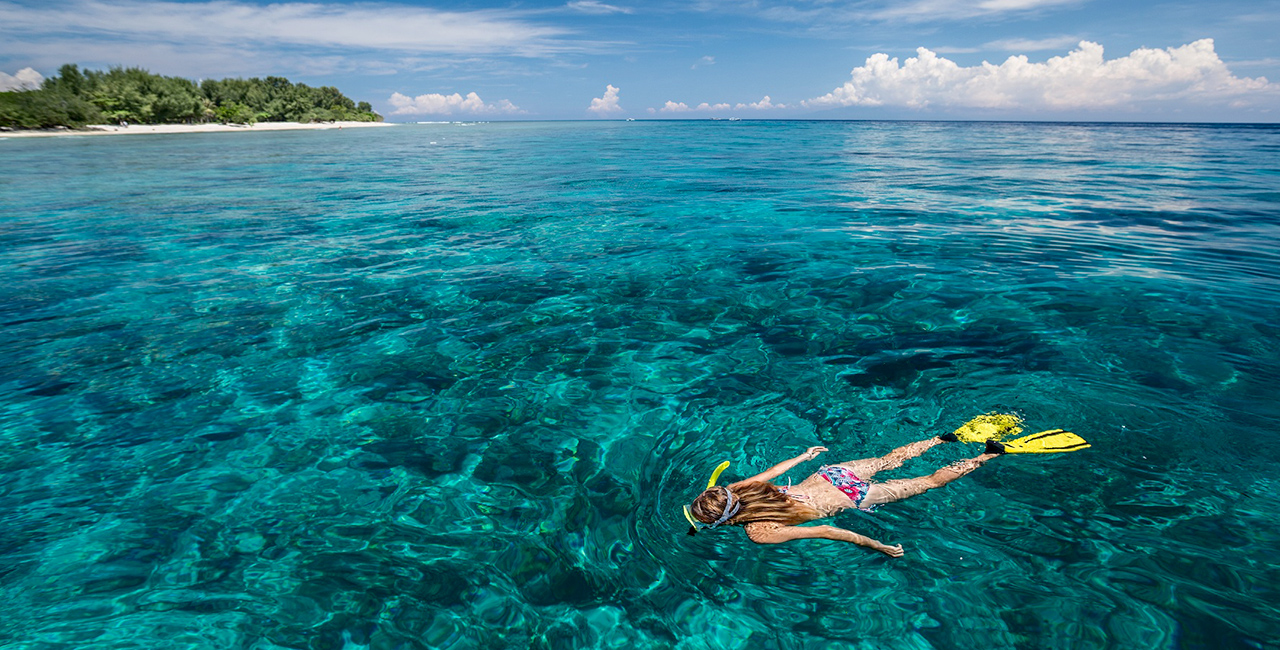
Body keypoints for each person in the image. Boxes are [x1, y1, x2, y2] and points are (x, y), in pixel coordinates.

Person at [684, 434, 1005, 558]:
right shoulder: (739, 489)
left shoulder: (759, 532)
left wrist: (878, 546)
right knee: (889, 459)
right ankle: (941, 438)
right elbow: (770, 475)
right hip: (831, 474)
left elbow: (825, 530)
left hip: (853, 495)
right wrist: (804, 456)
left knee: (931, 481)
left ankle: (988, 456)